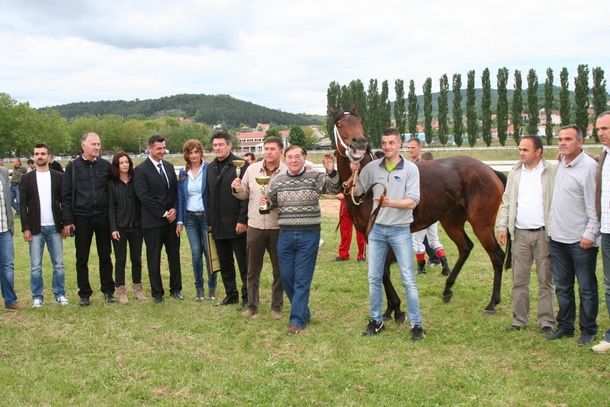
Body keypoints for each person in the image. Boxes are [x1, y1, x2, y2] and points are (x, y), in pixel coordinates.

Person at [352, 128, 424, 340]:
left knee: (408, 279)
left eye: (391, 143)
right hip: (376, 230)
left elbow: (413, 201)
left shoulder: (410, 169)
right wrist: (354, 171)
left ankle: (416, 325)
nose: (387, 147)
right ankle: (376, 321)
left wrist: (390, 203)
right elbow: (357, 192)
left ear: (399, 144)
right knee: (374, 278)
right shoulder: (372, 167)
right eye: (384, 143)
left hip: (400, 230)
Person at [265, 145, 340, 333]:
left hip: (309, 234)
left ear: (304, 158)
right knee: (286, 277)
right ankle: (303, 312)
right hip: (285, 234)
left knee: (302, 278)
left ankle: (297, 320)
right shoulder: (277, 180)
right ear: (285, 159)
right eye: (290, 157)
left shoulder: (315, 177)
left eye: (297, 156)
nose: (293, 160)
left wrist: (331, 171)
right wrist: (266, 202)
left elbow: (334, 188)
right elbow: (271, 203)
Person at [496, 135, 556, 334]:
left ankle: (546, 322)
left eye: (525, 150)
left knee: (545, 280)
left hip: (543, 234)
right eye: (520, 149)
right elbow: (507, 201)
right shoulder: (515, 172)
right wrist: (502, 226)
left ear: (538, 152)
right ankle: (519, 320)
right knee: (519, 280)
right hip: (520, 234)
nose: (521, 153)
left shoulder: (551, 172)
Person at [547, 125, 599, 345]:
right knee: (562, 286)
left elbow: (594, 204)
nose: (562, 143)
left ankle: (588, 329)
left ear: (580, 141)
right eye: (560, 139)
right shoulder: (561, 163)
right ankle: (565, 326)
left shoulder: (589, 168)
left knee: (586, 287)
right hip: (557, 238)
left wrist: (590, 233)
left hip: (581, 240)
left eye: (568, 139)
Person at [231, 136, 286, 319]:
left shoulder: (287, 171)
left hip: (278, 227)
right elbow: (244, 194)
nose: (268, 152)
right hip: (254, 226)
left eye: (272, 149)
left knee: (279, 270)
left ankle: (276, 307)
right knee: (252, 270)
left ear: (281, 151)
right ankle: (252, 306)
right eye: (266, 148)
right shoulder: (252, 169)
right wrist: (237, 189)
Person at [62, 132, 115, 305]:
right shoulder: (73, 167)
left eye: (98, 144)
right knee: (82, 257)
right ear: (83, 145)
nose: (97, 147)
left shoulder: (105, 166)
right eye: (93, 144)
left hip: (103, 216)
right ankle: (84, 293)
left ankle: (108, 290)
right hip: (82, 217)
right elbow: (66, 195)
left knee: (105, 255)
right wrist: (68, 220)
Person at [134, 135, 182, 303]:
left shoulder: (169, 166)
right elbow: (144, 196)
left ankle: (176, 289)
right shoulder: (140, 170)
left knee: (174, 256)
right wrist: (163, 213)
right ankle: (157, 292)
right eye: (158, 148)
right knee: (153, 258)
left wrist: (174, 209)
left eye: (163, 148)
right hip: (153, 221)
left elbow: (175, 191)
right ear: (150, 149)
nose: (162, 151)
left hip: (171, 221)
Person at [19, 144, 68, 308]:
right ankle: (37, 297)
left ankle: (60, 294)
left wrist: (65, 224)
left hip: (55, 227)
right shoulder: (27, 178)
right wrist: (26, 228)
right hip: (35, 229)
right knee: (35, 267)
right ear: (33, 156)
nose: (39, 156)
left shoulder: (58, 177)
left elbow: (65, 203)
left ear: (49, 156)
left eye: (43, 153)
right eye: (37, 154)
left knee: (59, 265)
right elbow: (22, 206)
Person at [207, 131, 249, 307]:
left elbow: (247, 196)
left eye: (221, 144)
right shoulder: (210, 168)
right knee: (225, 263)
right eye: (215, 145)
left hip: (236, 223)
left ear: (229, 146)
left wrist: (243, 220)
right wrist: (210, 222)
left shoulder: (241, 165)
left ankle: (248, 297)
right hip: (217, 225)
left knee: (244, 264)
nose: (217, 148)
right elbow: (209, 195)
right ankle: (231, 294)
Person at [176, 139, 217, 301]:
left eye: (196, 152)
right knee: (195, 253)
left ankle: (212, 287)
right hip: (190, 218)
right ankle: (199, 288)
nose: (193, 155)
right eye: (190, 153)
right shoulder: (183, 173)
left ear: (201, 153)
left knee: (209, 253)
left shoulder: (209, 169)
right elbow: (181, 197)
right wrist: (180, 221)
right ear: (186, 155)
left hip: (206, 217)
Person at [108, 152, 146, 304]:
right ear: (116, 165)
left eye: (126, 162)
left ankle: (138, 289)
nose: (124, 165)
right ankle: (121, 291)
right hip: (120, 227)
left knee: (136, 259)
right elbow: (111, 207)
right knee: (121, 259)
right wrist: (113, 228)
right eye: (121, 162)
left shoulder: (135, 180)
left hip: (136, 226)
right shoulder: (112, 183)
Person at [406, 138, 442, 271]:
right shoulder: (411, 164)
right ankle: (438, 260)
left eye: (413, 147)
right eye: (408, 148)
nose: (410, 150)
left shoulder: (425, 164)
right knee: (427, 236)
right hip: (417, 204)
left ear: (419, 147)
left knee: (419, 236)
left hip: (423, 205)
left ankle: (430, 261)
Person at [593, 111, 610, 353]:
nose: (600, 133)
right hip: (606, 229)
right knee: (609, 286)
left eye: (605, 128)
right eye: (598, 129)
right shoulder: (604, 156)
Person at [0, 163, 22, 311]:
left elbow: (8, 201)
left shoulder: (3, 172)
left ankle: (10, 300)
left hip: (5, 228)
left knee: (7, 265)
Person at [335, 192, 366, 262]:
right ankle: (343, 255)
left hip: (358, 201)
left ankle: (361, 255)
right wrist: (340, 192)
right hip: (346, 200)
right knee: (344, 229)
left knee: (360, 230)